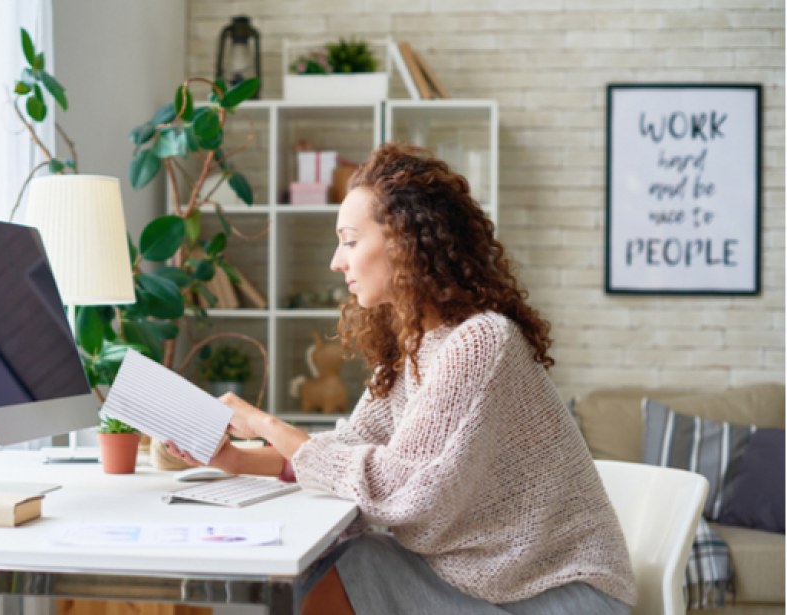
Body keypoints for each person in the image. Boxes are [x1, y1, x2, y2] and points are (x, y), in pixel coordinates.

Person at [166, 143, 637, 614]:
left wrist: (266, 425)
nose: (337, 261)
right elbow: (347, 450)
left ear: (404, 241)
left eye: (350, 241)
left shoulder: (481, 341)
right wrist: (234, 460)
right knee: (350, 560)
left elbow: (405, 491)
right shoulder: (411, 345)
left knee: (351, 565)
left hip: (557, 596)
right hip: (480, 581)